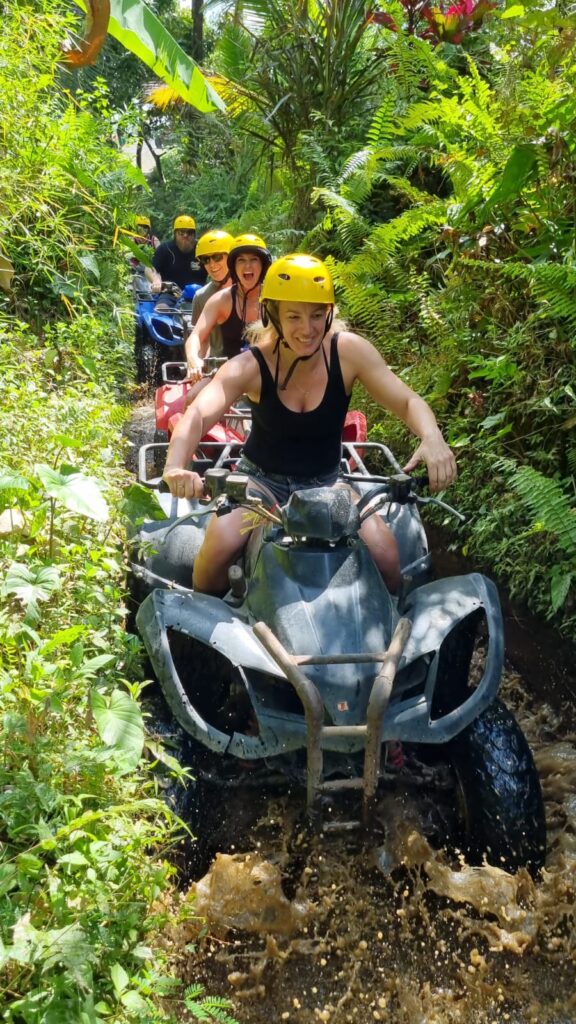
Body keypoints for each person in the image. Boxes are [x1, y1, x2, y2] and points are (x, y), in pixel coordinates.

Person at [164, 253, 457, 596]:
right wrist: (174, 466)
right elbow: (197, 414)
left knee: (387, 556)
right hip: (260, 485)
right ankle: (210, 629)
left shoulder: (348, 353)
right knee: (216, 551)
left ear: (329, 313)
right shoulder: (252, 365)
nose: (308, 328)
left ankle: (389, 636)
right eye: (294, 316)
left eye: (318, 315)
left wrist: (432, 437)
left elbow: (408, 400)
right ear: (272, 315)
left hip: (328, 483)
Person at [184, 233, 272, 380]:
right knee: (193, 399)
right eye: (241, 260)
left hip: (268, 376)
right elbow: (197, 336)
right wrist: (193, 359)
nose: (247, 266)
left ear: (263, 265)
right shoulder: (219, 300)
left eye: (254, 260)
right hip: (227, 377)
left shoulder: (276, 301)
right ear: (234, 266)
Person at [190, 230, 235, 358]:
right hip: (216, 367)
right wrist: (195, 363)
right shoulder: (201, 296)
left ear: (231, 257)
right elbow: (200, 340)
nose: (212, 264)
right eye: (205, 259)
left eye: (217, 257)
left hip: (249, 366)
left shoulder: (249, 290)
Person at [150, 215, 207, 293]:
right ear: (175, 234)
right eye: (181, 232)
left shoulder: (202, 250)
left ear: (194, 234)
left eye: (189, 232)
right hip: (170, 294)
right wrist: (156, 280)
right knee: (161, 306)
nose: (185, 235)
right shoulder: (165, 248)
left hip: (199, 295)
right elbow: (151, 268)